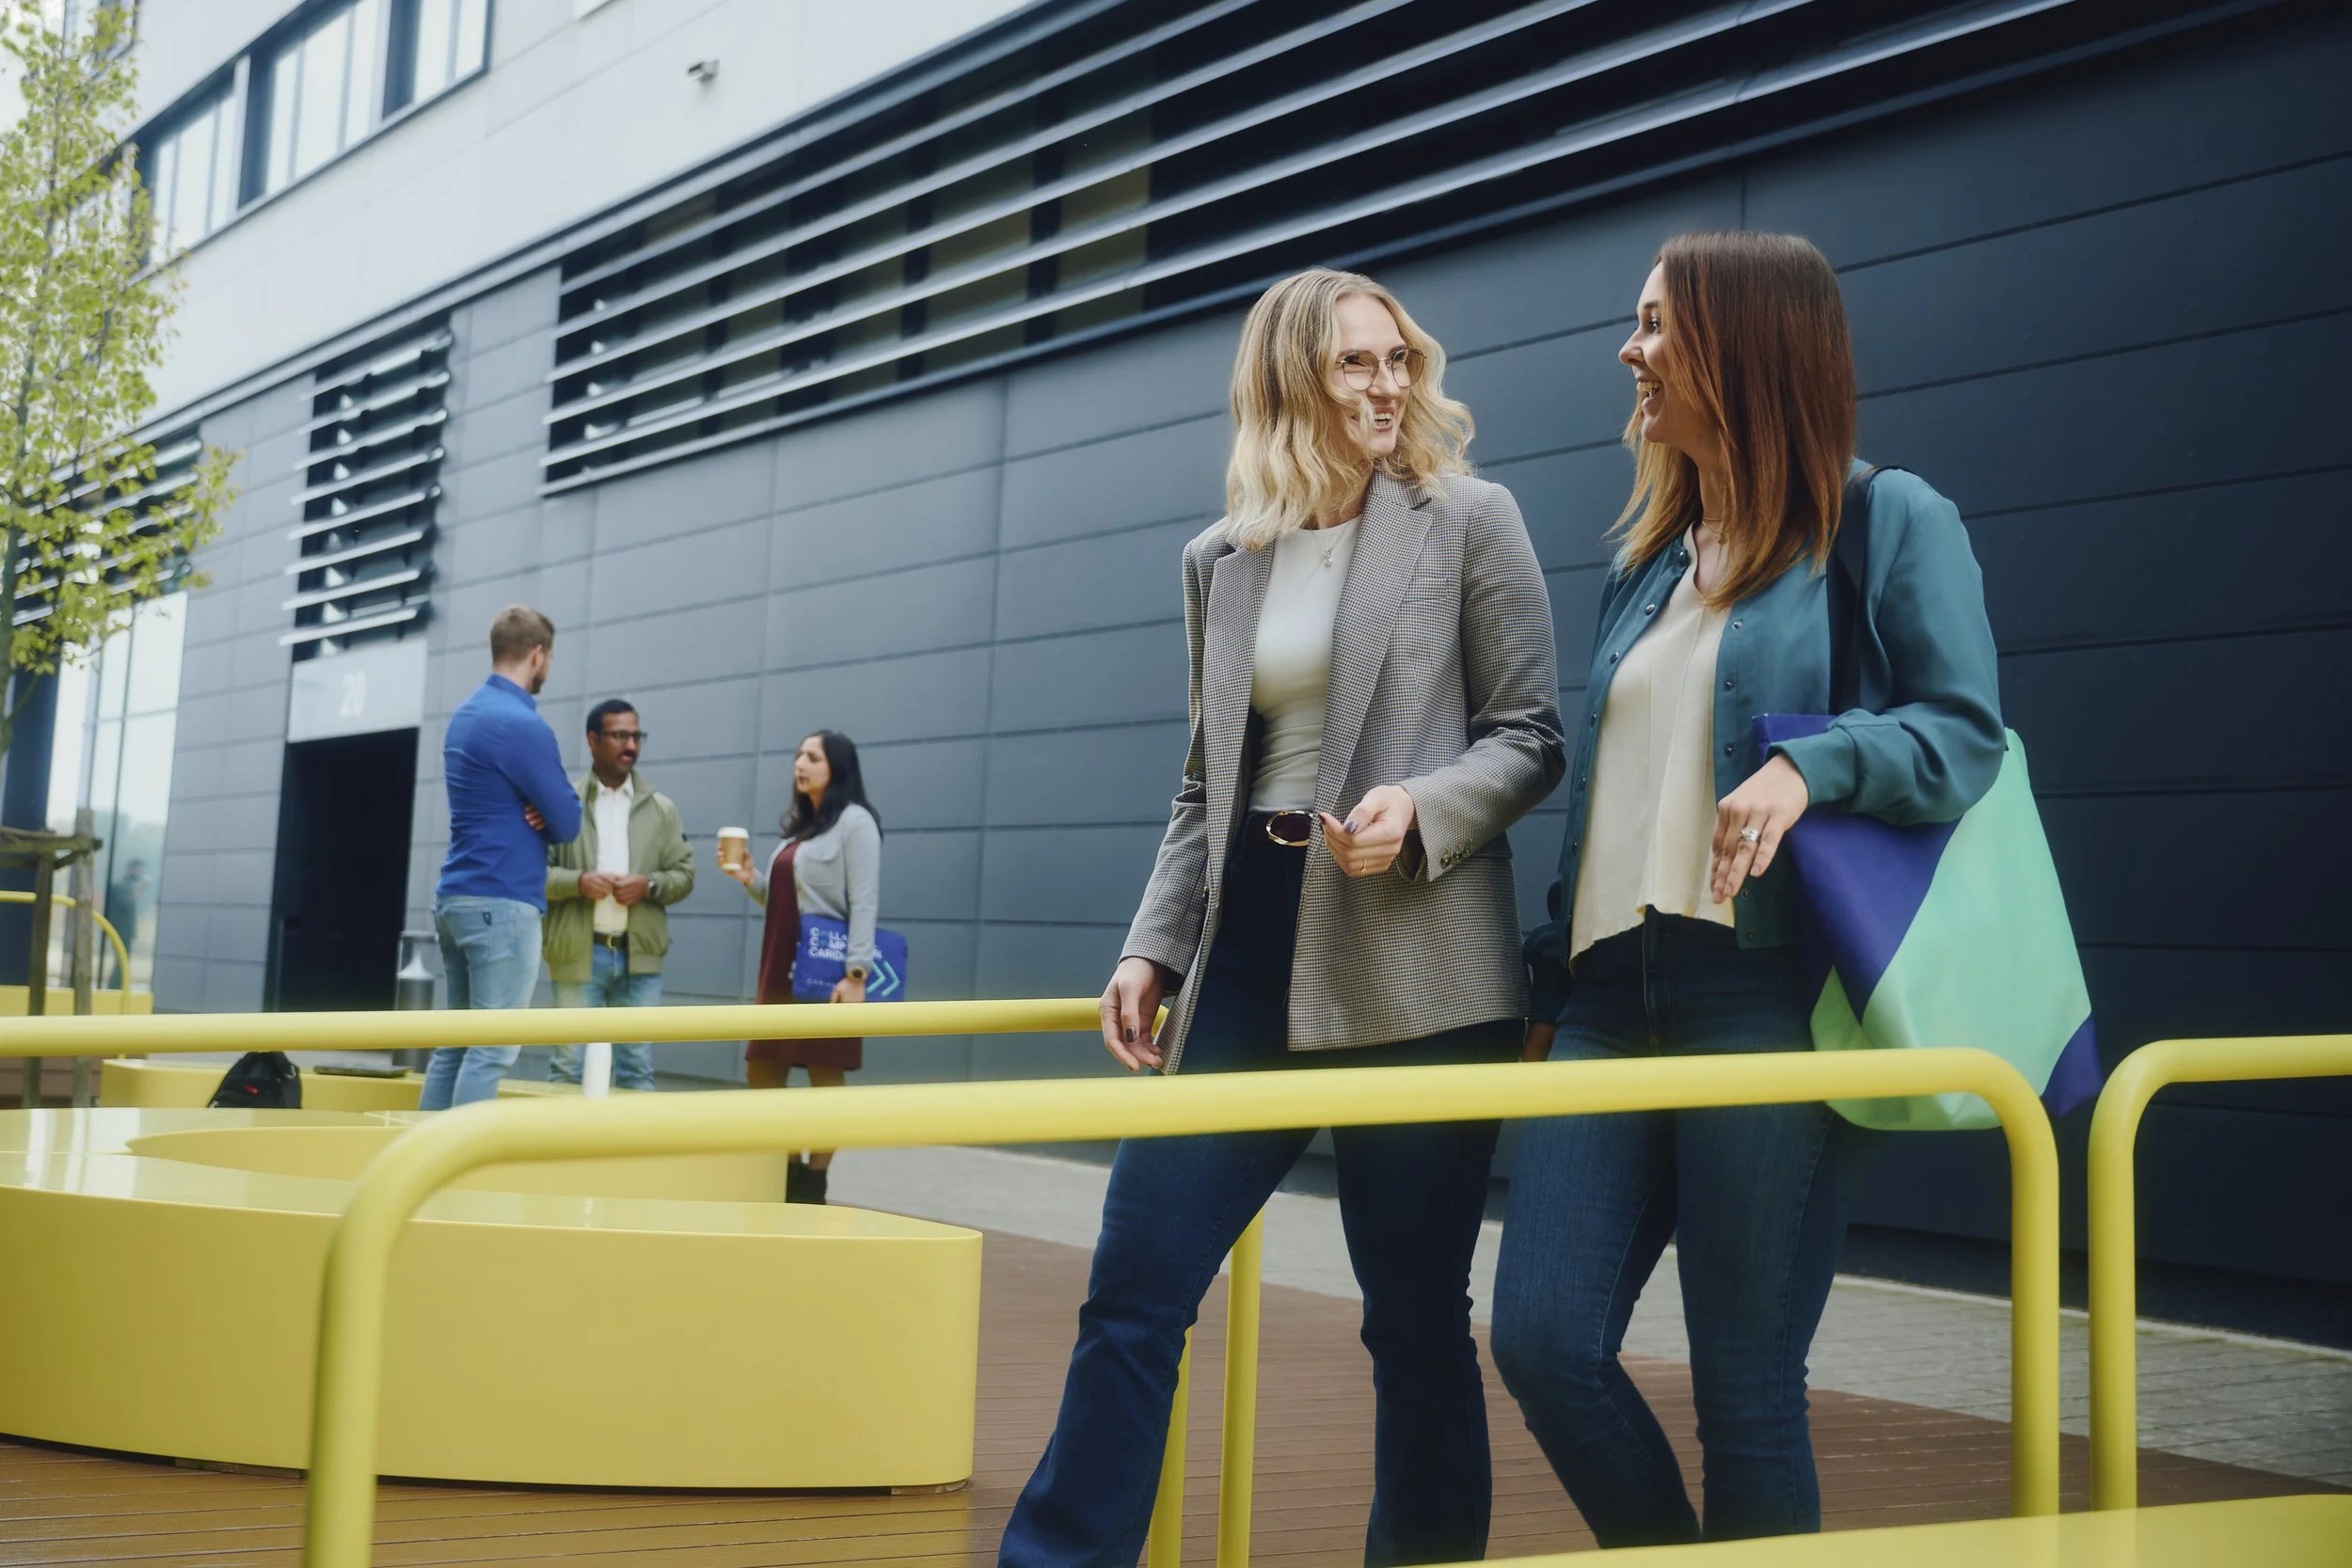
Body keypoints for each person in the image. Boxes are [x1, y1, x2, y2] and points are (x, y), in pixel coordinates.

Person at [998, 269, 1563, 1568]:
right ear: (1288, 384)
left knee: (1413, 1315)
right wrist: (1153, 942)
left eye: (1398, 360)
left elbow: (1533, 736)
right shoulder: (1219, 560)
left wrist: (1421, 806)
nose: (1386, 386)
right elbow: (1206, 781)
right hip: (1249, 951)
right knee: (1136, 1285)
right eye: (1355, 364)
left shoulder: (1469, 519)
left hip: (1419, 957)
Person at [1492, 231, 2006, 1546]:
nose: (1632, 351)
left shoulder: (1886, 519)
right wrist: (1551, 982)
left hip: (1764, 994)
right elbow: (1612, 799)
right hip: (1611, 993)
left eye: (1658, 325)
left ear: (1743, 343)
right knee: (1541, 1337)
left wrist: (1814, 764)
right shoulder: (1647, 558)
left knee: (1746, 1383)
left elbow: (1964, 734)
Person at [422, 606, 582, 1111]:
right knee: (492, 1049)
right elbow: (569, 822)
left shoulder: (468, 714)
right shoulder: (523, 726)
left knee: (455, 1047)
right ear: (537, 655)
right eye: (550, 658)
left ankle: (418, 1169)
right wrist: (541, 807)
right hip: (501, 904)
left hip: (457, 896)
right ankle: (459, 1178)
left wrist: (537, 806)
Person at [721, 729, 882, 1205]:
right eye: (797, 755)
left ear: (836, 767)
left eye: (812, 757)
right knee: (763, 1067)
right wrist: (752, 878)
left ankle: (814, 1179)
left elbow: (865, 900)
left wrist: (856, 976)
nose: (800, 763)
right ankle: (787, 1164)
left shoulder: (856, 823)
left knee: (823, 1070)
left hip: (826, 969)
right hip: (780, 962)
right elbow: (788, 900)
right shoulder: (803, 827)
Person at [543, 699, 695, 1090]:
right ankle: (563, 1151)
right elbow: (534, 874)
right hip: (578, 953)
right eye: (620, 736)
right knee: (567, 1067)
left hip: (638, 958)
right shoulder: (564, 803)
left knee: (637, 1069)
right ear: (593, 740)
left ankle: (632, 1154)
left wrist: (650, 886)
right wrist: (578, 882)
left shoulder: (662, 809)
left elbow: (684, 875)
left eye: (636, 736)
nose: (631, 745)